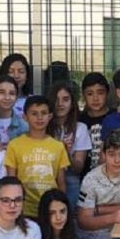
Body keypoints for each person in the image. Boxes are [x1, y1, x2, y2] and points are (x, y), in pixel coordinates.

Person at [4, 95, 69, 219]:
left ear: (50, 116)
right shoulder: (14, 145)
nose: (39, 118)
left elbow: (61, 183)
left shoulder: (58, 146)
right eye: (34, 113)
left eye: (43, 113)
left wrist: (60, 208)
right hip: (24, 209)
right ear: (24, 117)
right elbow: (11, 181)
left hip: (50, 210)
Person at [47, 80, 91, 212]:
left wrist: (65, 152)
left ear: (72, 103)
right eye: (56, 99)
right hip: (45, 177)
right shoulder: (42, 125)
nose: (60, 104)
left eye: (65, 99)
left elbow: (78, 168)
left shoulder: (80, 128)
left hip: (70, 180)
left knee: (69, 222)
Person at [79, 72, 112, 178]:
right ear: (83, 95)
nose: (95, 98)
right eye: (90, 94)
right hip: (86, 179)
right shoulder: (79, 121)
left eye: (100, 93)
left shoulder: (115, 117)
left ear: (107, 93)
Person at [0, 76, 28, 145]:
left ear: (16, 98)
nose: (7, 97)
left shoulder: (24, 127)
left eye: (12, 93)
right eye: (1, 92)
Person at [0, 53, 32, 117]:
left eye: (21, 71)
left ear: (27, 75)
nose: (16, 76)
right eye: (11, 72)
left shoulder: (33, 102)